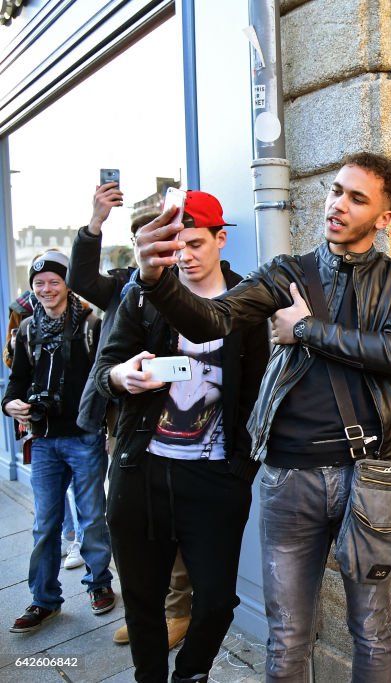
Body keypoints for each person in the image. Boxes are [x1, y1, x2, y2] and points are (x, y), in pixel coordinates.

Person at [129, 152, 391, 682]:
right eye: (336, 190)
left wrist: (306, 330)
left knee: (373, 632)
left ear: (384, 217)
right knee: (287, 635)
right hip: (289, 476)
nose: (337, 204)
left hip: (369, 476)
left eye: (357, 198)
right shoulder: (288, 272)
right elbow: (211, 320)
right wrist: (155, 279)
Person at [92, 190, 269, 683]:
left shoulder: (245, 303)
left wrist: (239, 470)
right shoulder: (142, 295)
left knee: (215, 602)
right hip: (140, 470)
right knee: (143, 600)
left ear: (220, 239)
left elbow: (254, 394)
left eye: (194, 243)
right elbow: (104, 369)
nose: (185, 256)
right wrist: (121, 378)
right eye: (175, 247)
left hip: (213, 477)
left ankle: (191, 674)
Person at [68, 180, 196, 649]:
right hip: (125, 422)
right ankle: (144, 606)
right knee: (128, 517)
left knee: (174, 519)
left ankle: (176, 610)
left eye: (165, 239)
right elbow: (81, 281)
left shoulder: (195, 284)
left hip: (181, 423)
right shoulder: (126, 286)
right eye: (146, 241)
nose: (157, 250)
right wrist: (95, 222)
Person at [2, 250, 116, 632]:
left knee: (92, 519)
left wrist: (102, 425)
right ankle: (44, 600)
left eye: (53, 281)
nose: (46, 288)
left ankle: (99, 584)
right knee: (45, 524)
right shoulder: (29, 330)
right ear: (32, 289)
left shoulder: (90, 324)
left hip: (83, 437)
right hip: (45, 439)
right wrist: (9, 404)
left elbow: (104, 378)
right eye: (39, 283)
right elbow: (17, 382)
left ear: (67, 283)